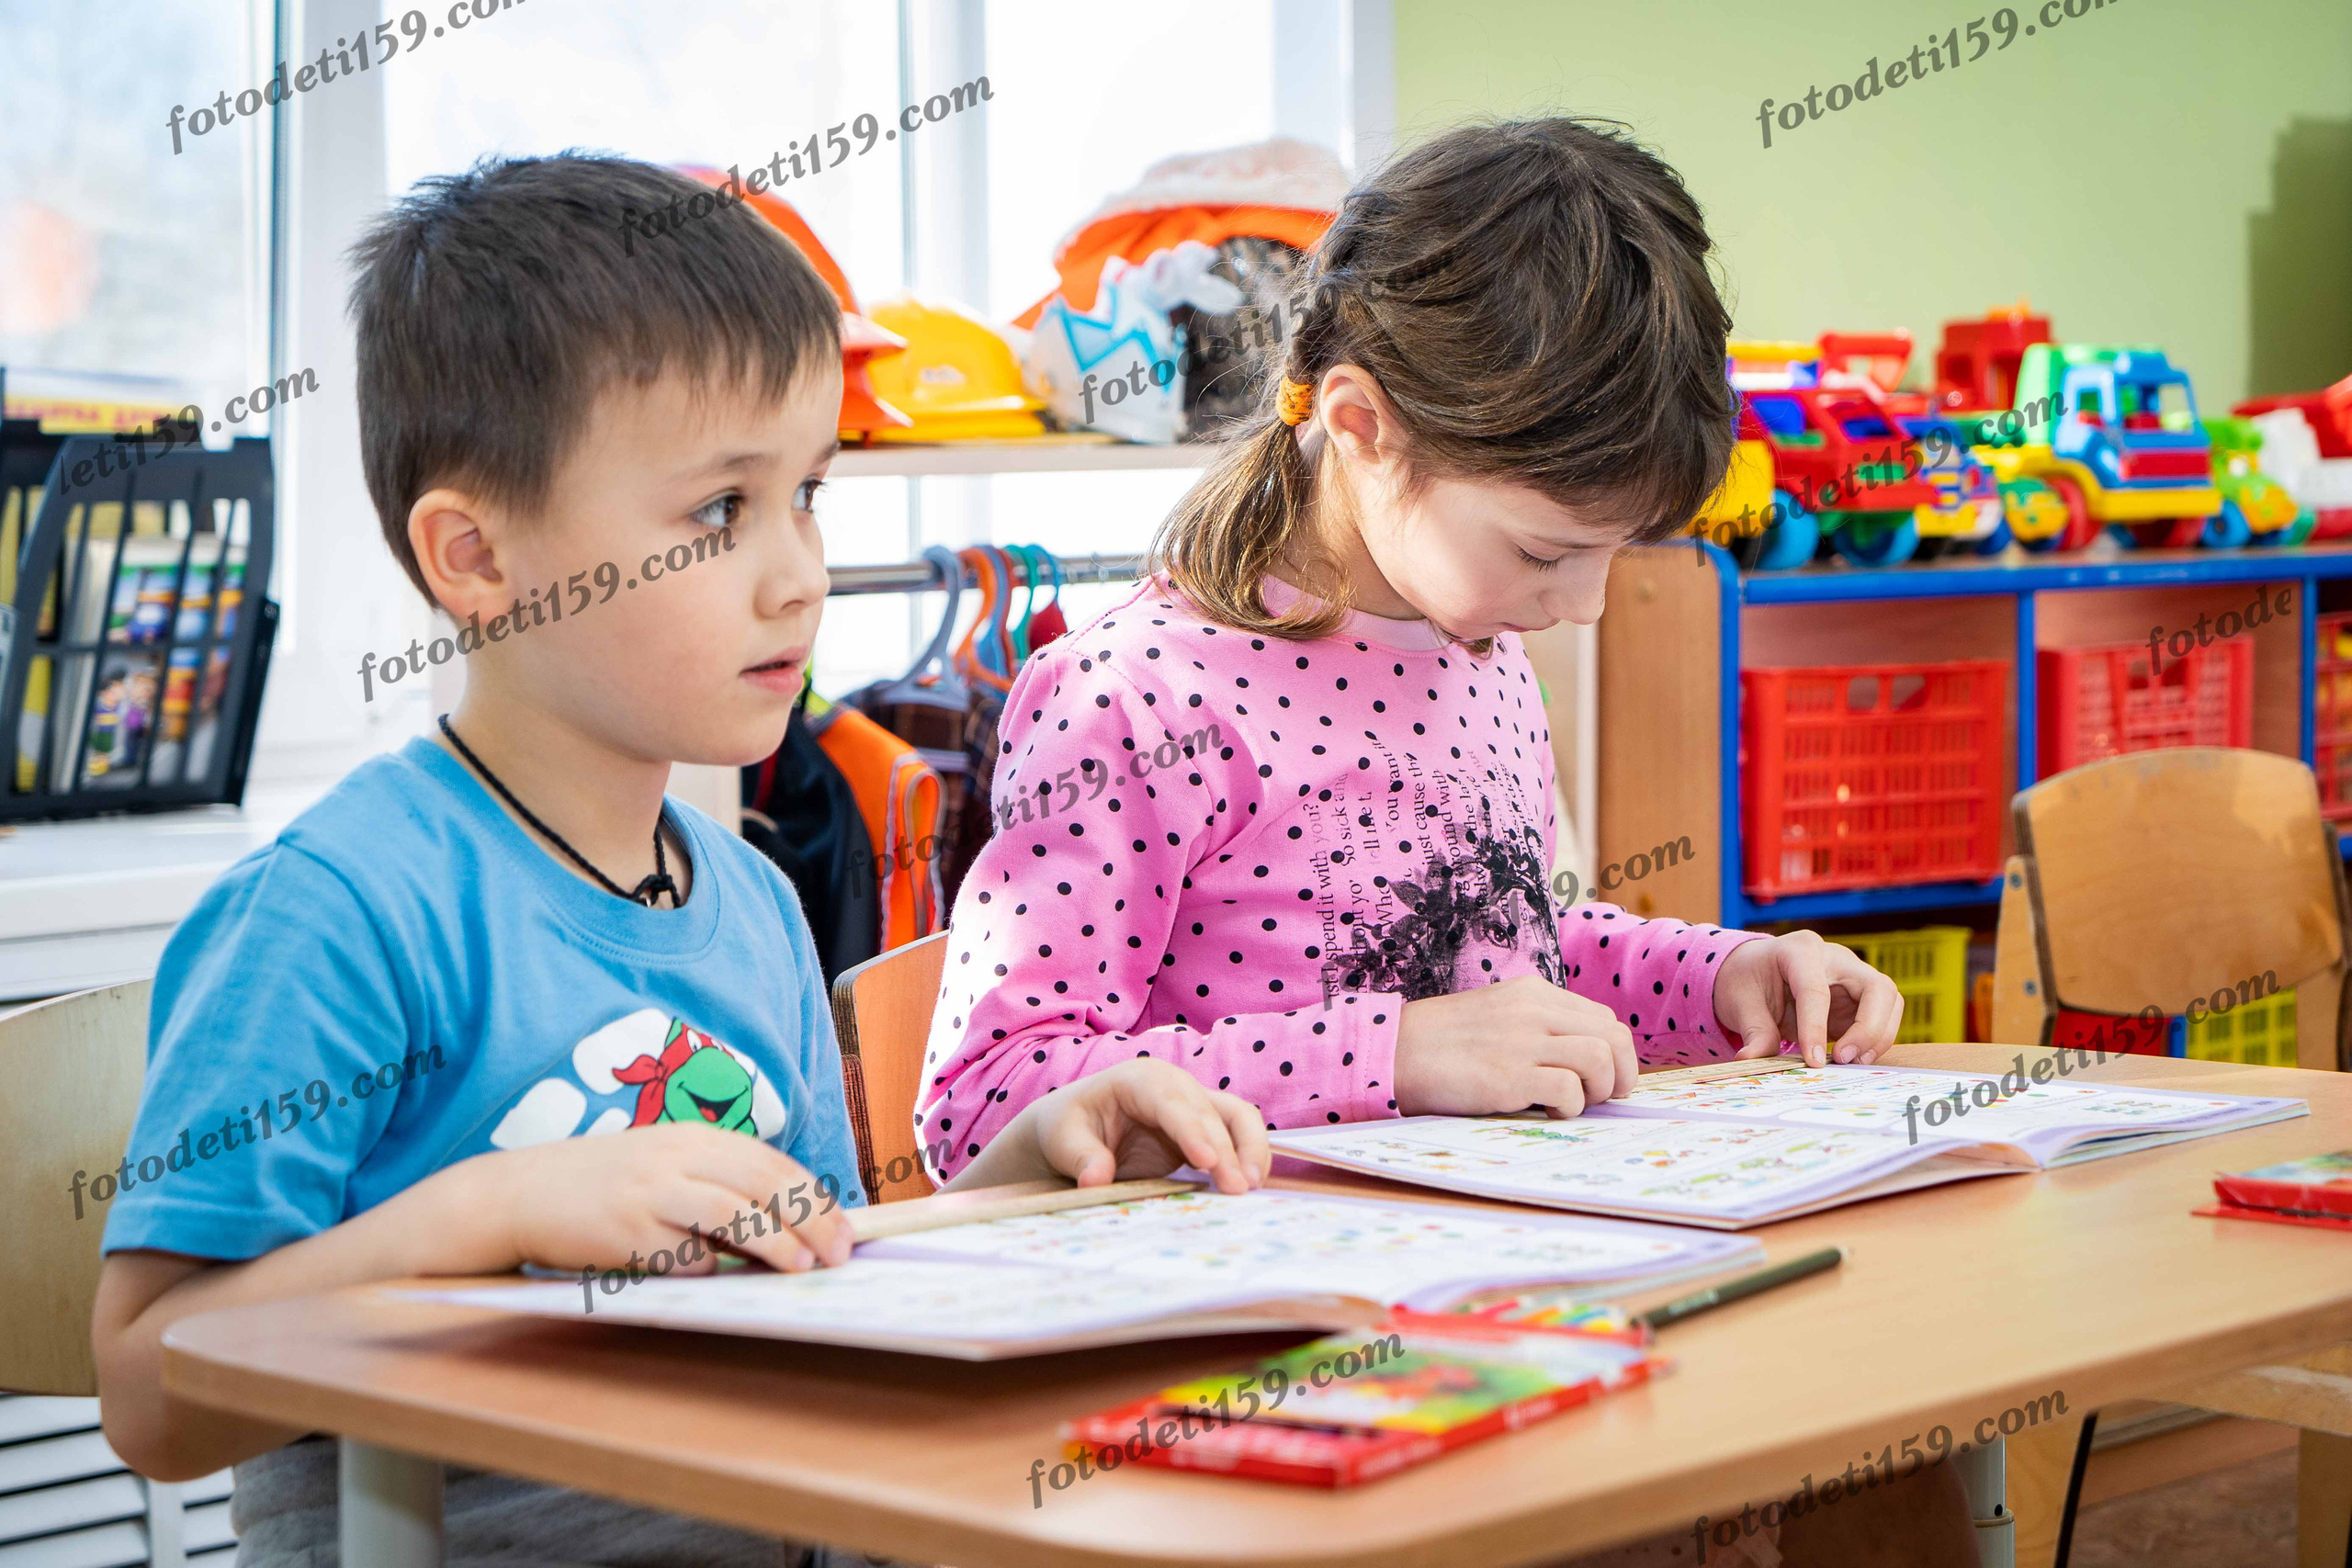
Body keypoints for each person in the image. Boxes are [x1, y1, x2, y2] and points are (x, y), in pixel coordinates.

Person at [88, 152, 1270, 1568]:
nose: (800, 573)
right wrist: (493, 1212)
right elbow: (152, 1392)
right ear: (475, 558)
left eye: (810, 497)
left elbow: (821, 1264)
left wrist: (1041, 1156)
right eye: (720, 512)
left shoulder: (753, 898)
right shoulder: (340, 914)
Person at [917, 119, 1962, 1567]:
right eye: (1548, 552)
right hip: (1264, 1398)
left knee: (1890, 1398)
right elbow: (988, 1103)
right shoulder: (1135, 696)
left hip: (1514, 1316)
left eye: (1619, 555)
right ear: (1360, 424)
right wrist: (1392, 1055)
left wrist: (1717, 978)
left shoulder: (1473, 649)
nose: (1586, 607)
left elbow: (1509, 959)